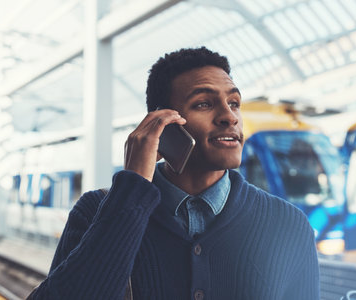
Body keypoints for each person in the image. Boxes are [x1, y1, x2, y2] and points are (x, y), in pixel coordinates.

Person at [28, 47, 320, 299]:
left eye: (234, 103)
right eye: (204, 103)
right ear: (163, 123)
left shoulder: (290, 225)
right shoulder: (94, 212)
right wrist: (133, 188)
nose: (230, 116)